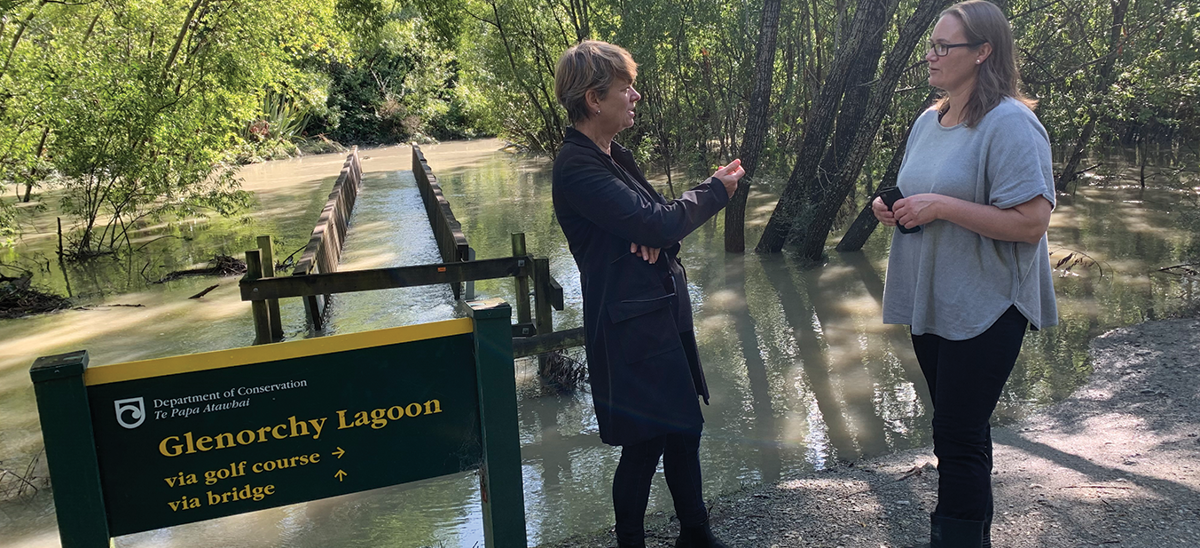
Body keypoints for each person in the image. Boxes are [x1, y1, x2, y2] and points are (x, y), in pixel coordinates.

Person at [872, 1, 1058, 546]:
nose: (930, 55)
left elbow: (1032, 222)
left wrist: (942, 208)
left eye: (943, 46)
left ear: (982, 53)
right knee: (963, 432)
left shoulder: (1012, 123)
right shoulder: (928, 120)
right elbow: (924, 195)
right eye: (930, 44)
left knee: (954, 434)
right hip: (933, 300)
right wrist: (898, 209)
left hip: (991, 304)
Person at [551, 40, 744, 548]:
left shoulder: (616, 156)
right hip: (629, 326)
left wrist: (659, 232)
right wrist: (713, 191)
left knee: (684, 427)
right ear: (594, 99)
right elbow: (657, 222)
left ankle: (695, 534)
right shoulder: (577, 166)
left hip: (661, 312)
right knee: (646, 442)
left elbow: (662, 226)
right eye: (625, 88)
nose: (635, 96)